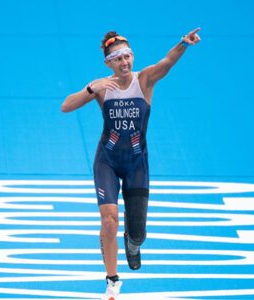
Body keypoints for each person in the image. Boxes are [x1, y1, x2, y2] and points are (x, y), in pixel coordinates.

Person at [61, 28, 201, 300]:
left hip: (137, 163)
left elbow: (167, 62)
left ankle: (133, 244)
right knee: (109, 221)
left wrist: (183, 44)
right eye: (118, 59)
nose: (124, 62)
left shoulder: (145, 80)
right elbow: (66, 106)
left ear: (132, 57)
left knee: (137, 234)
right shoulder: (102, 86)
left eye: (128, 56)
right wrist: (91, 88)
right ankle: (112, 282)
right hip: (108, 162)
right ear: (108, 63)